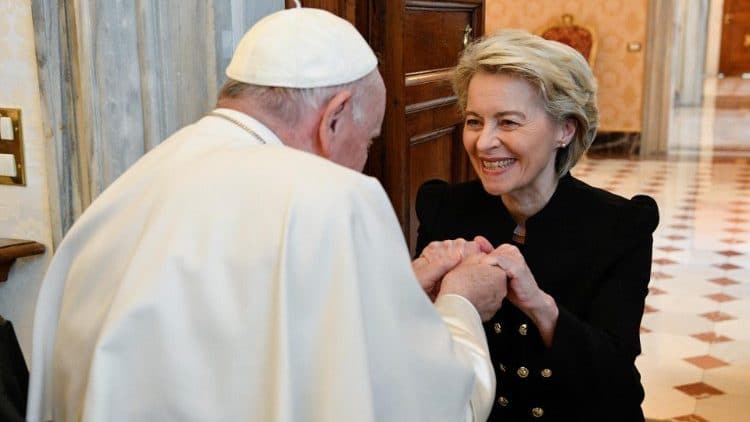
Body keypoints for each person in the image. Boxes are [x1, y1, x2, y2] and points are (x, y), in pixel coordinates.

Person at [26, 7, 509, 422]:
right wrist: (460, 304)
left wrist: (394, 287)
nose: (364, 160)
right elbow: (424, 405)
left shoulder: (131, 186)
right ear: (334, 117)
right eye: (369, 141)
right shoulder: (334, 197)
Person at [415, 29, 659, 421]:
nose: (484, 143)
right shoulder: (445, 210)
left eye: (508, 123)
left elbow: (616, 383)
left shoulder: (620, 226)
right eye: (475, 121)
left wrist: (538, 303)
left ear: (565, 130)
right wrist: (418, 290)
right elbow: (419, 356)